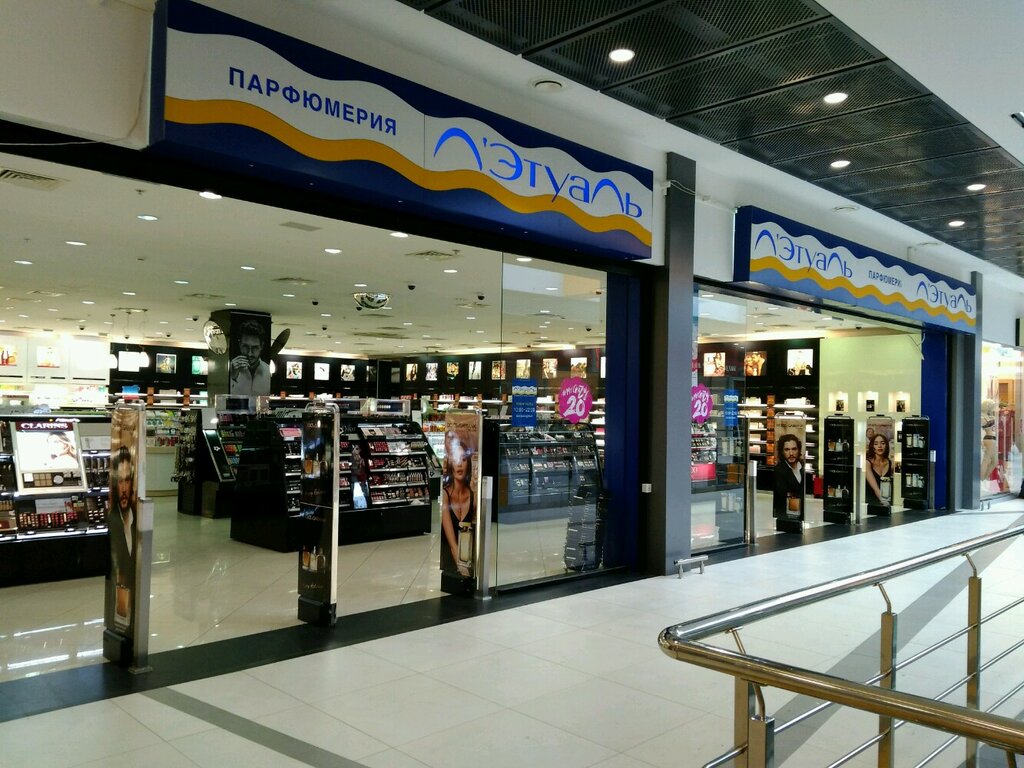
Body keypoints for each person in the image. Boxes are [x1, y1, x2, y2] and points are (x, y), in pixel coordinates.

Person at [109, 444, 137, 630]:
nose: (124, 488)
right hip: (120, 611)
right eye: (120, 481)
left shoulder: (137, 519)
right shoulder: (111, 522)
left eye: (127, 480)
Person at [441, 432, 475, 578]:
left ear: (468, 464)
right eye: (456, 459)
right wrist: (464, 572)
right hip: (451, 564)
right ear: (450, 463)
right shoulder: (445, 495)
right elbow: (452, 544)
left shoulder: (473, 497)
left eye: (464, 459)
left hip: (468, 560)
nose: (460, 464)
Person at [229, 319, 271, 395]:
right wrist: (232, 378)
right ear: (239, 344)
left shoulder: (269, 371)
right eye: (245, 346)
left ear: (262, 346)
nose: (249, 353)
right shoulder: (227, 369)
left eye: (255, 347)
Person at [773, 433, 803, 518]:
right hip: (784, 514)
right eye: (787, 449)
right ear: (782, 452)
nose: (791, 453)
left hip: (801, 513)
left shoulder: (803, 467)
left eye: (794, 449)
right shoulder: (778, 471)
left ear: (799, 450)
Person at [865, 432, 894, 507]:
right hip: (870, 503)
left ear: (886, 446)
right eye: (876, 444)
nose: (879, 446)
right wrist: (886, 503)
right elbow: (876, 489)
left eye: (882, 443)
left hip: (887, 501)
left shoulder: (890, 463)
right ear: (872, 446)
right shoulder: (867, 463)